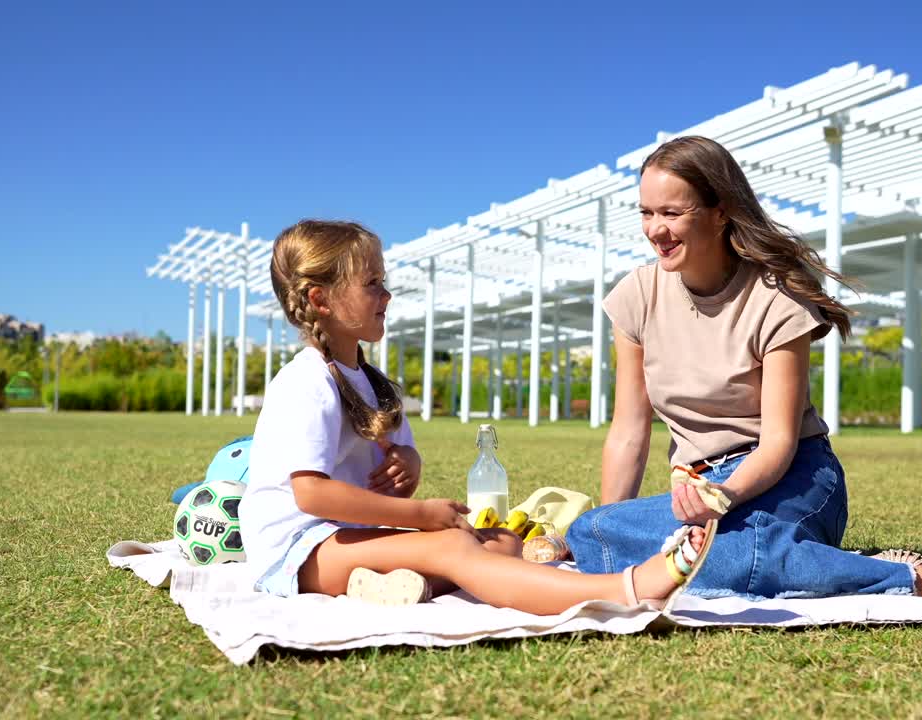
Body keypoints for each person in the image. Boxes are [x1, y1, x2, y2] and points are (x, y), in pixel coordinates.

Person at [565, 136, 922, 623]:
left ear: (719, 211)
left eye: (671, 213)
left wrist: (722, 498)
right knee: (586, 533)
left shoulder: (776, 299)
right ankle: (818, 565)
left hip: (792, 478)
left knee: (734, 554)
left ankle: (916, 580)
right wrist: (609, 526)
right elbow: (627, 431)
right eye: (646, 213)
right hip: (697, 486)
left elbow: (777, 444)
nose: (655, 230)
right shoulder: (636, 296)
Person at [238, 219, 720, 614]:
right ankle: (626, 590)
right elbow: (312, 493)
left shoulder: (368, 379)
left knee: (503, 544)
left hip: (343, 539)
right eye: (372, 284)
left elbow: (392, 472)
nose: (386, 295)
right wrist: (421, 515)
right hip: (297, 553)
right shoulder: (306, 382)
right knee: (450, 548)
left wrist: (410, 464)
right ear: (321, 300)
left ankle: (396, 587)